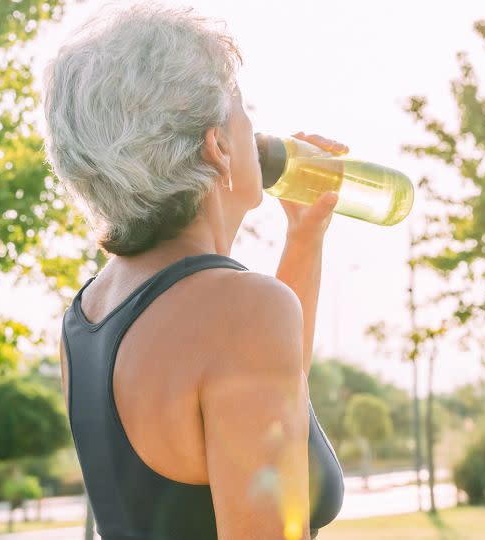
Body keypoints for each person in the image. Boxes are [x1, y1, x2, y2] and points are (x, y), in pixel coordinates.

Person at [42, 3, 345, 540]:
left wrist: (303, 240)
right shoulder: (240, 310)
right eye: (243, 112)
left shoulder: (86, 314)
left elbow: (262, 399)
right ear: (218, 146)